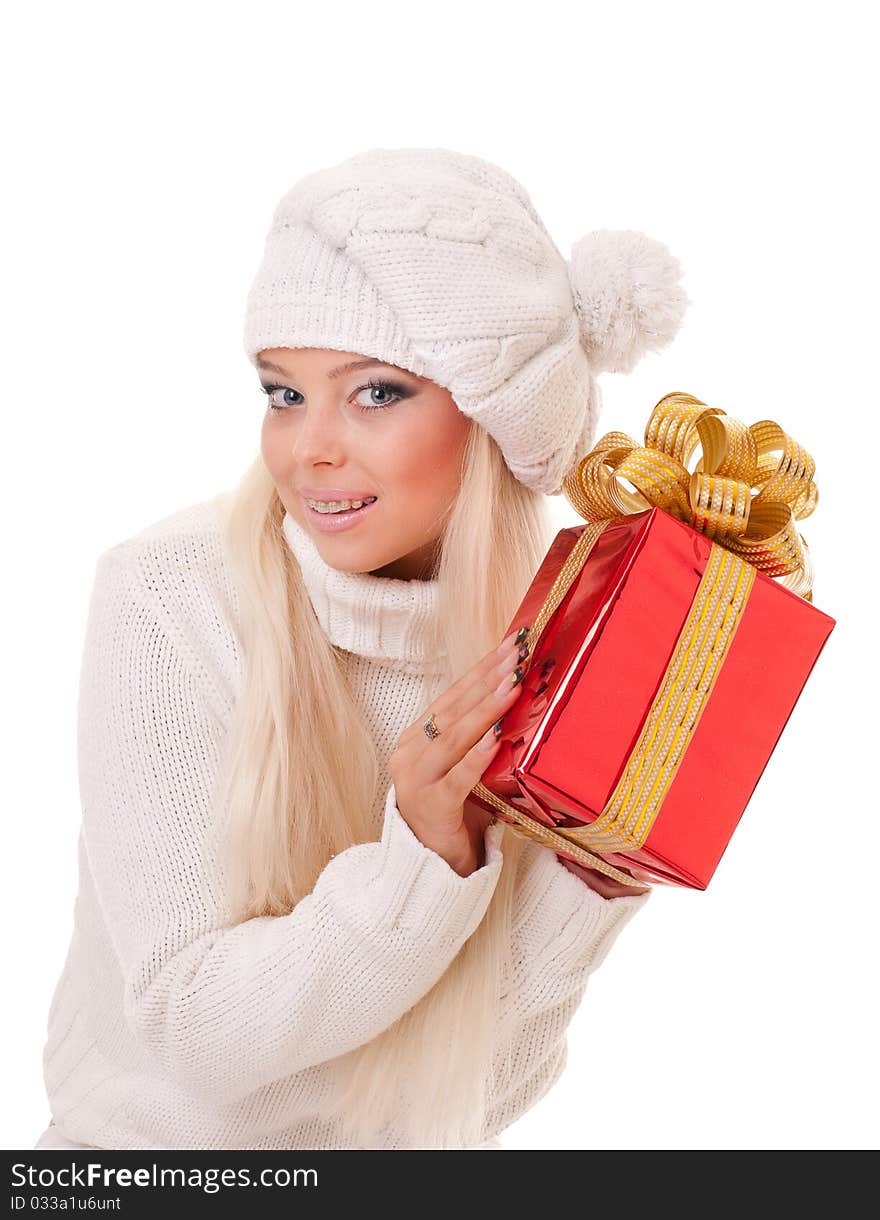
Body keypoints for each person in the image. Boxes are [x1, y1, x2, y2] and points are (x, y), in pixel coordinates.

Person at [33, 146, 688, 1151]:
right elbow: (191, 1028)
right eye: (282, 391)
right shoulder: (168, 596)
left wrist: (597, 865)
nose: (309, 448)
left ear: (491, 414)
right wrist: (422, 854)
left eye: (375, 392)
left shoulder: (544, 639)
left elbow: (472, 1095)